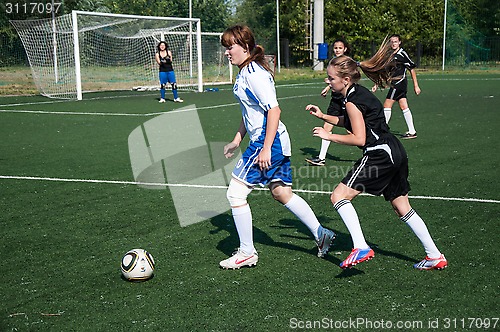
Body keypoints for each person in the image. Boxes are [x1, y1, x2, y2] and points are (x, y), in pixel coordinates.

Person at [305, 39, 447, 271]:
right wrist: (323, 116)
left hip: (378, 153)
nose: (328, 82)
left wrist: (329, 137)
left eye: (331, 78)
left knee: (338, 196)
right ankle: (434, 255)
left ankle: (360, 246)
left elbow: (359, 138)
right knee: (402, 207)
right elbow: (351, 121)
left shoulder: (351, 100)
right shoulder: (357, 93)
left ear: (346, 79)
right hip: (395, 150)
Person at [219, 25, 335, 269]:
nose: (227, 52)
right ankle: (321, 233)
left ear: (245, 46)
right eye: (226, 48)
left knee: (235, 194)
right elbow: (250, 111)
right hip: (273, 139)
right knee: (281, 192)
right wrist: (237, 140)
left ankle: (247, 252)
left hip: (267, 140)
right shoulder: (244, 72)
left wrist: (265, 148)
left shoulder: (253, 73)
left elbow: (274, 110)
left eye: (230, 47)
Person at [306, 38, 349, 166]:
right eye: (335, 48)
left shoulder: (347, 62)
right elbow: (334, 79)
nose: (337, 50)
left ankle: (370, 152)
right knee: (327, 126)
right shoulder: (332, 62)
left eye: (340, 48)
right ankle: (321, 158)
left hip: (346, 99)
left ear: (345, 49)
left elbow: (348, 79)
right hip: (335, 99)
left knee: (352, 130)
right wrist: (328, 87)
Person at [371, 34, 420, 139]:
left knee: (387, 105)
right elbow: (384, 72)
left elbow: (411, 68)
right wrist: (376, 84)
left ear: (399, 42)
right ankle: (412, 131)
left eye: (395, 41)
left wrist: (416, 85)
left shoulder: (402, 54)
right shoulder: (389, 55)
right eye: (392, 42)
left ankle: (381, 129)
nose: (393, 43)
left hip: (399, 84)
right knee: (403, 106)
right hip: (396, 84)